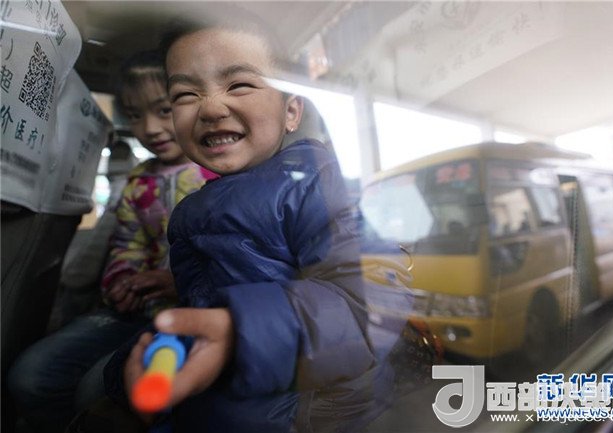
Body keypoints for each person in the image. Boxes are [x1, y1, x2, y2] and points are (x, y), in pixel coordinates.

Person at [103, 10, 411, 433]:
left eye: (239, 85)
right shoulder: (193, 208)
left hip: (311, 412)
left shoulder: (315, 181)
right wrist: (162, 350)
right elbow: (201, 307)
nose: (211, 107)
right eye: (186, 95)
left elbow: (372, 299)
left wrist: (240, 332)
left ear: (291, 112)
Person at [7, 50, 215, 433]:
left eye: (164, 110)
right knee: (30, 375)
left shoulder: (214, 174)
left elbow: (228, 257)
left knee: (97, 389)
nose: (150, 128)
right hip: (135, 312)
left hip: (192, 314)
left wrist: (179, 282)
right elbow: (128, 243)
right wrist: (123, 281)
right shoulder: (139, 181)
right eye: (135, 115)